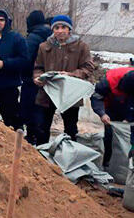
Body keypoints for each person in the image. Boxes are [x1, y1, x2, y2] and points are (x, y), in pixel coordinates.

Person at [32, 15, 94, 144]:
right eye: (57, 27)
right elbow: (38, 67)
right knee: (42, 128)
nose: (60, 31)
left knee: (70, 129)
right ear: (52, 29)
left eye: (64, 27)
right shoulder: (44, 46)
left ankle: (68, 157)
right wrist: (37, 77)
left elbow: (88, 68)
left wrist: (71, 75)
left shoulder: (81, 46)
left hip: (70, 94)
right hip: (47, 93)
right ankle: (42, 156)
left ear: (69, 29)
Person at [90, 66, 134, 171]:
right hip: (112, 108)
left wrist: (129, 118)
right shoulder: (109, 81)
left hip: (130, 108)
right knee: (109, 136)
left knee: (130, 139)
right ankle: (107, 165)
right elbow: (96, 96)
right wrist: (102, 114)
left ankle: (127, 168)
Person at [21, 10, 52, 142]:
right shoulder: (51, 36)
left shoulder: (33, 37)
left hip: (31, 80)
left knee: (30, 112)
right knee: (44, 115)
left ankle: (31, 139)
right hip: (48, 81)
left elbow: (26, 58)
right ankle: (42, 143)